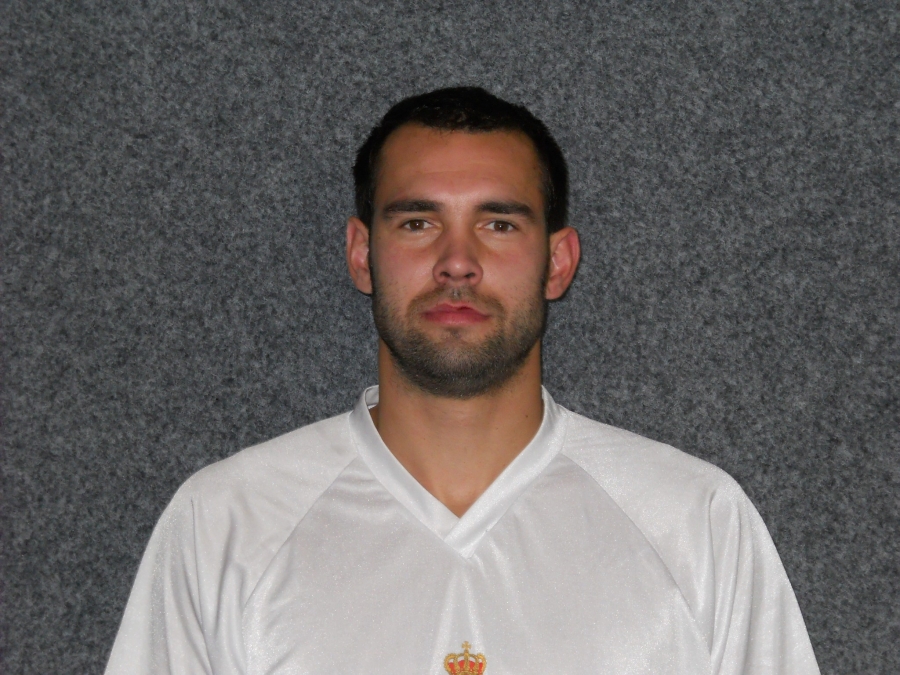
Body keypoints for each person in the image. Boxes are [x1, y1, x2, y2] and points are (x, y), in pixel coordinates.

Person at [106, 87, 820, 675]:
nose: (457, 262)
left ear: (558, 262)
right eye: (418, 222)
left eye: (499, 225)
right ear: (361, 253)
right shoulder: (224, 526)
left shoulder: (695, 524)